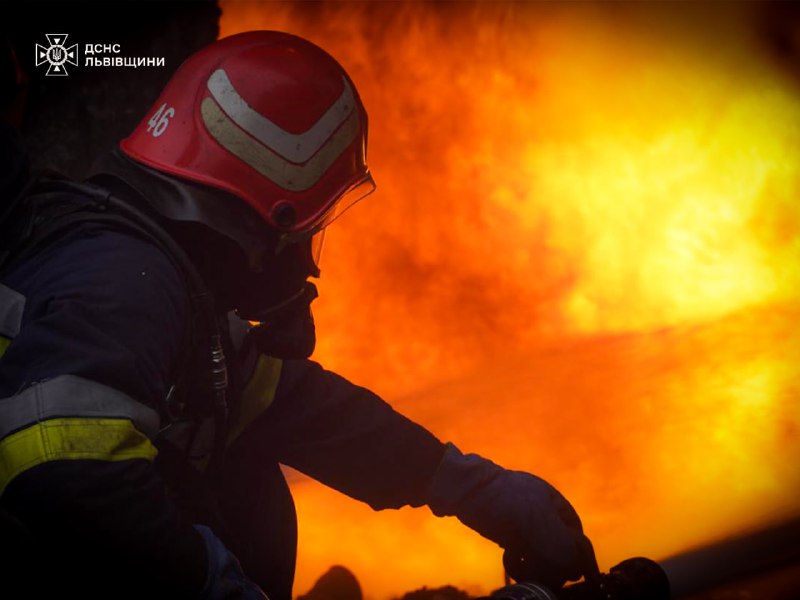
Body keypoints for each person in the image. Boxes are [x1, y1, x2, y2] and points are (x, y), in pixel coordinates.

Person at [0, 31, 597, 599]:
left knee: (238, 454)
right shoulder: (125, 281)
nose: (307, 266)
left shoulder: (162, 280)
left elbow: (294, 405)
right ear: (261, 221)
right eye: (307, 230)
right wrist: (210, 587)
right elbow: (70, 477)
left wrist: (461, 482)